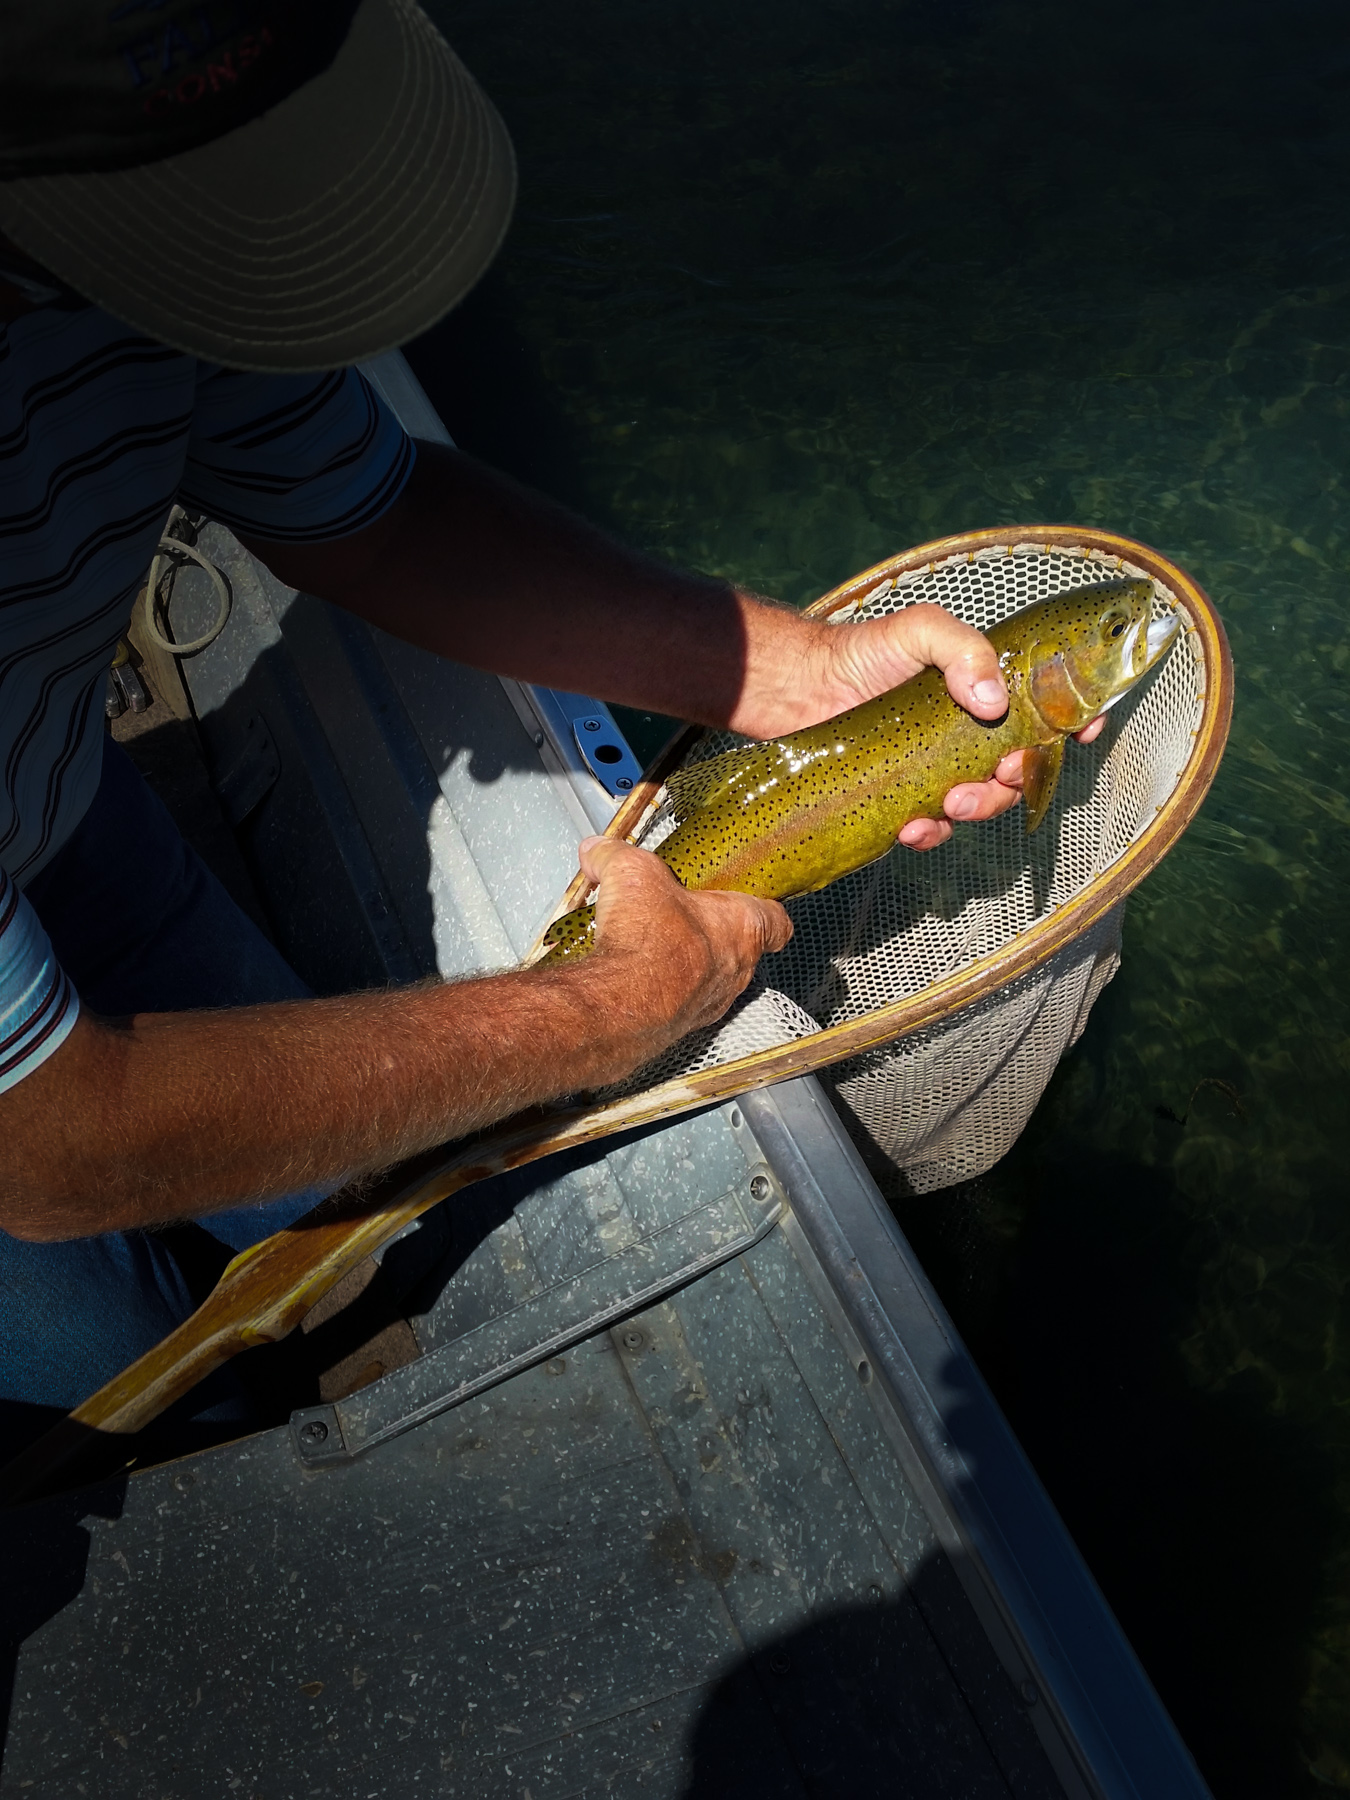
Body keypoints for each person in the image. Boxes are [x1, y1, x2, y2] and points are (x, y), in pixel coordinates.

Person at [0, 0, 1099, 1422]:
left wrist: (789, 670)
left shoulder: (158, 244)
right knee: (151, 1405)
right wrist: (600, 1010)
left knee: (338, 1216)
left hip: (58, 791)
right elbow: (49, 1142)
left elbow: (376, 515)